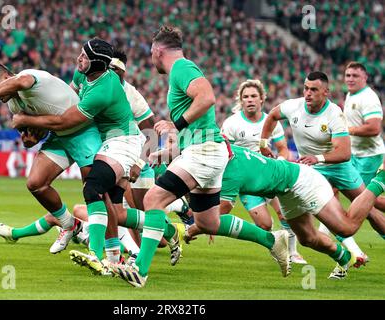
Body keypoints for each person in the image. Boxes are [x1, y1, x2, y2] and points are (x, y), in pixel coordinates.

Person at [112, 25, 290, 288]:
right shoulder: (181, 72)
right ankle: (272, 240)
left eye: (151, 53)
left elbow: (207, 98)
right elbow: (199, 125)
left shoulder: (182, 69)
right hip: (207, 150)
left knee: (152, 198)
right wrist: (168, 152)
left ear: (157, 50)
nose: (151, 58)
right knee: (207, 221)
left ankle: (140, 269)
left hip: (205, 152)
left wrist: (175, 125)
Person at [12, 38, 184, 276]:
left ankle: (101, 254)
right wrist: (38, 132)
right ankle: (160, 235)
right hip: (109, 145)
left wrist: (139, 162)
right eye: (115, 68)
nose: (117, 73)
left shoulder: (119, 92)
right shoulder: (85, 77)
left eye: (121, 70)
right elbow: (65, 108)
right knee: (116, 210)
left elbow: (67, 121)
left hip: (128, 148)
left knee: (96, 189)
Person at [186, 144, 385, 279]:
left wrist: (195, 227)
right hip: (285, 189)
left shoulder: (230, 170)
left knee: (347, 227)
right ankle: (344, 258)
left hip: (301, 180)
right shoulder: (228, 153)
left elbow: (225, 207)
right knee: (307, 239)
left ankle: (380, 179)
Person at [0, 62, 94, 253]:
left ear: (5, 78)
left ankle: (113, 250)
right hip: (60, 137)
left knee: (94, 195)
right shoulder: (14, 104)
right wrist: (30, 139)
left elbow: (21, 81)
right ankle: (70, 225)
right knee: (36, 183)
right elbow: (38, 131)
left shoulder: (28, 75)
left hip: (85, 132)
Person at [260, 71, 370, 268]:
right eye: (305, 88)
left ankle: (377, 187)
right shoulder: (294, 106)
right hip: (312, 170)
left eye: (313, 89)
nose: (308, 93)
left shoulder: (335, 113)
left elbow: (344, 152)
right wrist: (263, 142)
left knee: (369, 206)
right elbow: (273, 115)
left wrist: (317, 158)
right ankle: (353, 252)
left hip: (337, 166)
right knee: (316, 227)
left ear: (326, 92)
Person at [221, 79, 307, 264]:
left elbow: (283, 148)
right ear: (241, 100)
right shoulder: (231, 123)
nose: (249, 100)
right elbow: (225, 154)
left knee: (285, 214)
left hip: (269, 176)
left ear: (262, 99)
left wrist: (280, 163)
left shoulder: (271, 121)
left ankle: (293, 252)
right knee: (264, 225)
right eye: (245, 97)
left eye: (253, 96)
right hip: (246, 181)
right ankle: (275, 244)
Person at [343, 61, 385, 240]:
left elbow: (375, 128)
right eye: (348, 75)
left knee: (364, 201)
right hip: (355, 155)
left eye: (355, 76)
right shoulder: (350, 95)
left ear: (365, 78)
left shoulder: (368, 98)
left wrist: (348, 130)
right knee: (364, 200)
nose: (350, 79)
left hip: (370, 157)